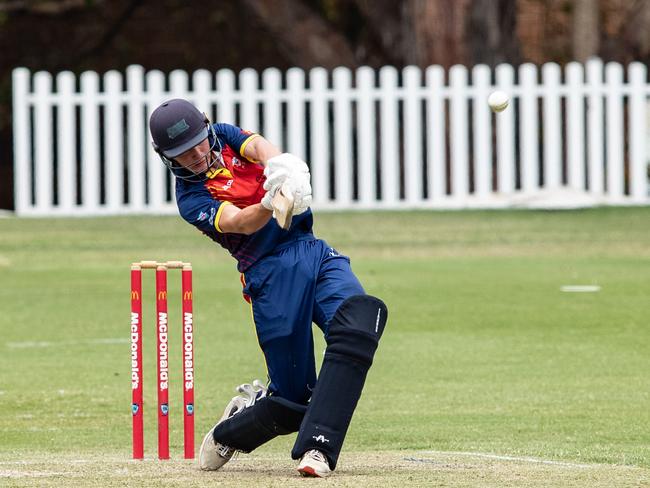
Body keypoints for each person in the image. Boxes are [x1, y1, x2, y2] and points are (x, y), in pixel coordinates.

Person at [149, 98, 388, 478]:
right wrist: (270, 200)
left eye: (197, 141)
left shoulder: (224, 136)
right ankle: (233, 429)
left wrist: (284, 168)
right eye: (181, 153)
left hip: (311, 251)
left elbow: (259, 147)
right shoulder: (190, 198)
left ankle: (318, 450)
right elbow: (240, 222)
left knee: (357, 325)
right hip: (268, 273)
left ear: (207, 129)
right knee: (291, 401)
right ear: (167, 158)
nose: (195, 154)